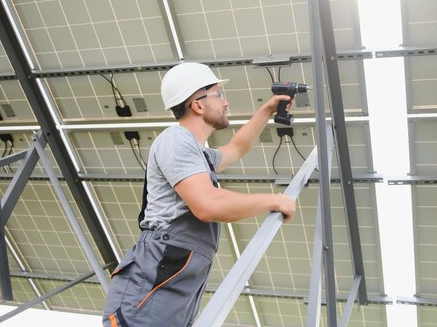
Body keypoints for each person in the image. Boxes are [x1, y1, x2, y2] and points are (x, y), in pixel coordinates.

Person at [102, 62, 296, 327]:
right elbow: (207, 205)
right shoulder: (176, 140)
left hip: (172, 284)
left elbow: (236, 149)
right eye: (219, 94)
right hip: (152, 284)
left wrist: (267, 109)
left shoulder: (197, 153)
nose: (226, 103)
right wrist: (274, 200)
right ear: (198, 104)